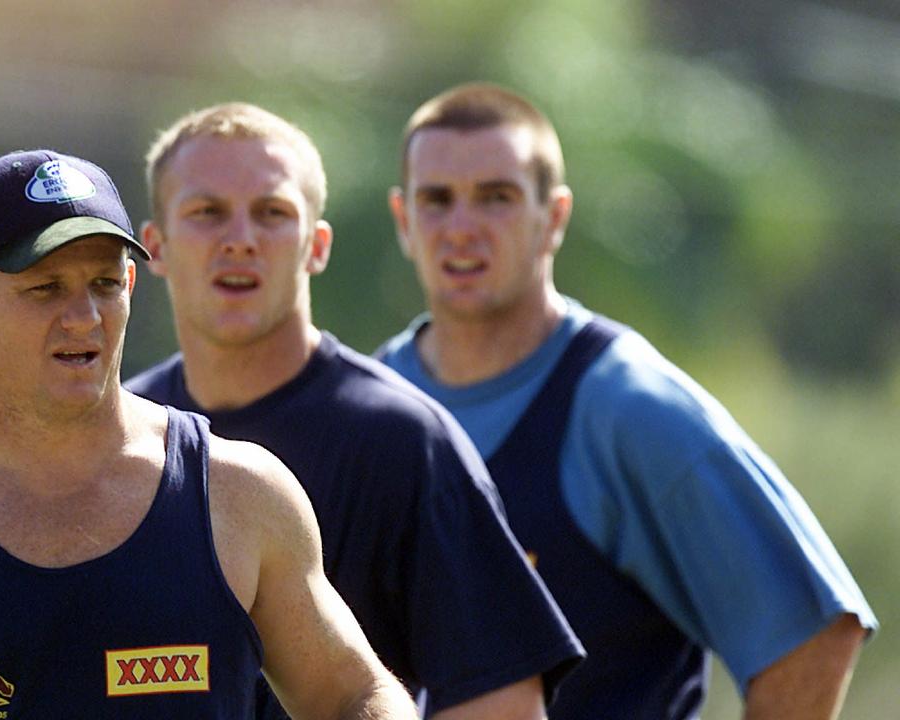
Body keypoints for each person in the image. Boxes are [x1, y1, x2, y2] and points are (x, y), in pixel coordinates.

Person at [0, 148, 422, 719]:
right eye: (45, 288)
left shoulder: (240, 496)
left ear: (132, 283)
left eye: (104, 285)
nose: (82, 318)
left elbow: (355, 695)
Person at [376, 82, 877, 719]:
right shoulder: (373, 403)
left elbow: (811, 635)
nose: (462, 227)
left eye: (496, 198)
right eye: (437, 199)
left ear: (552, 217)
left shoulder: (626, 407)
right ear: (403, 219)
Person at [126, 103, 583, 720]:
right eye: (207, 213)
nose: (240, 239)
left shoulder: (401, 440)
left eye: (272, 213)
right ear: (154, 246)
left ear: (316, 245)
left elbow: (501, 702)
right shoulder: (122, 434)